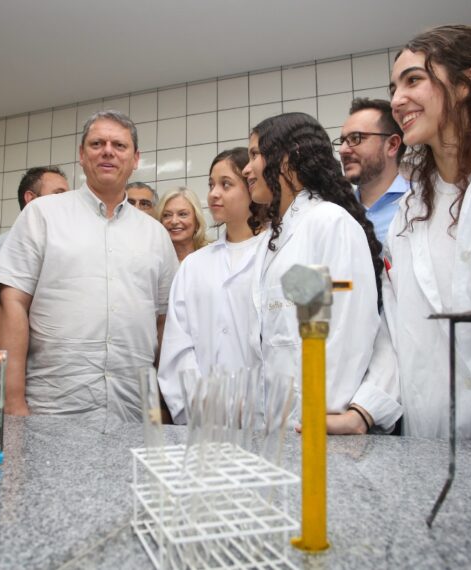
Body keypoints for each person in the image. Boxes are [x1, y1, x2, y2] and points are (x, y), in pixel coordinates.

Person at [0, 110, 178, 425]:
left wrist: (165, 407)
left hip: (133, 409)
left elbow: (164, 322)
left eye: (119, 145)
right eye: (96, 143)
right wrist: (13, 402)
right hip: (52, 406)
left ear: (135, 159)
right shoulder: (42, 215)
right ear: (81, 154)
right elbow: (12, 303)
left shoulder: (155, 234)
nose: (107, 151)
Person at [243, 112, 401, 433]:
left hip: (322, 428)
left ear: (288, 159)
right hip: (281, 426)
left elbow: (345, 332)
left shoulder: (329, 223)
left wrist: (322, 416)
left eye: (255, 155)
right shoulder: (276, 238)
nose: (247, 169)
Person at [387, 24, 471, 439]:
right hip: (431, 435)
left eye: (413, 80)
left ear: (464, 85)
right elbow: (393, 330)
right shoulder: (408, 213)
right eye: (393, 88)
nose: (396, 100)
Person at [158, 148, 265, 423]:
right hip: (202, 421)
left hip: (268, 417)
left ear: (252, 187)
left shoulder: (275, 254)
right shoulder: (194, 265)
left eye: (225, 184)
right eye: (211, 185)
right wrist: (199, 407)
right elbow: (177, 347)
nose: (213, 193)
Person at [334, 98, 408, 244]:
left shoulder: (422, 202)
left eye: (356, 138)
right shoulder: (339, 212)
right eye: (342, 141)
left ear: (392, 145)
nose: (342, 150)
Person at [0, 166, 69, 247]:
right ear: (31, 199)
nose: (68, 202)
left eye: (68, 196)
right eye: (59, 194)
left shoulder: (68, 245)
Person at [157, 187, 209, 262]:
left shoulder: (213, 257)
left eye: (182, 214)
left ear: (197, 220)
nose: (174, 221)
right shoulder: (154, 260)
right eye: (167, 215)